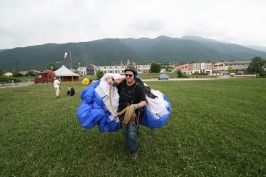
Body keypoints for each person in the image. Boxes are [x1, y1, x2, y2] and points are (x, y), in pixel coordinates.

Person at [107, 65, 146, 160]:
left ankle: (134, 150)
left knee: (132, 133)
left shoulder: (139, 87)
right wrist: (110, 81)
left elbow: (144, 102)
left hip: (132, 113)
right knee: (125, 132)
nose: (128, 77)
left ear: (134, 76)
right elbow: (110, 81)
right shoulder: (122, 83)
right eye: (127, 75)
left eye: (130, 75)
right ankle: (131, 146)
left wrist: (134, 106)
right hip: (121, 112)